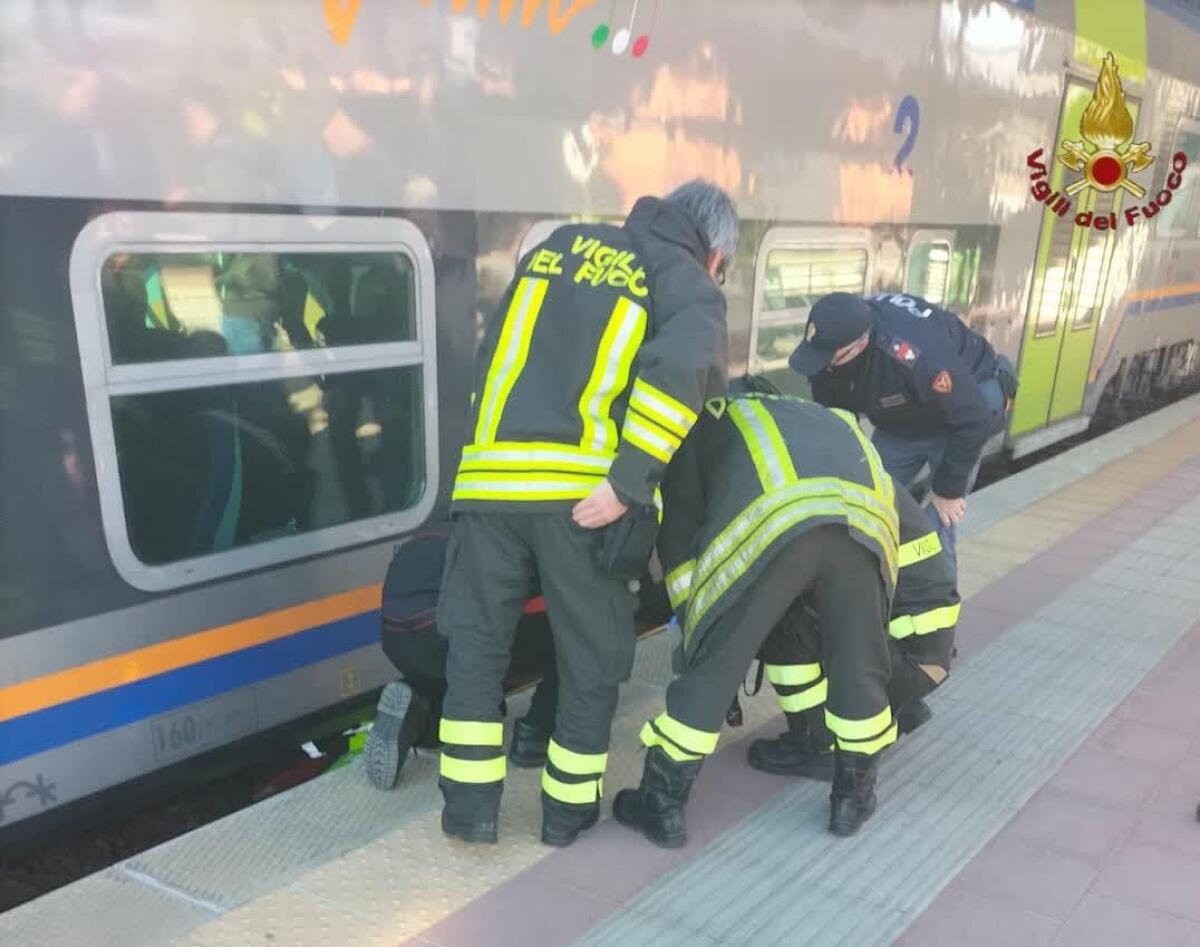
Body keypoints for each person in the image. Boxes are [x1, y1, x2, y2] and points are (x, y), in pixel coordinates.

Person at [437, 180, 737, 847]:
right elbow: (682, 377)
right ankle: (566, 817)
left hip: (488, 482)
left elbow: (494, 353)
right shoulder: (686, 282)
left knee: (477, 648)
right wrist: (629, 483)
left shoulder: (559, 246)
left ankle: (468, 812)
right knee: (590, 658)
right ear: (714, 254)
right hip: (581, 498)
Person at [613, 380, 900, 847]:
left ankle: (661, 802)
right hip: (866, 527)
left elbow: (680, 541)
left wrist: (699, 628)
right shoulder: (817, 414)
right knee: (859, 664)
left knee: (716, 667)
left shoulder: (704, 422)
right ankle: (852, 798)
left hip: (776, 524)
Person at [747, 477, 959, 779]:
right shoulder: (855, 473)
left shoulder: (805, 489)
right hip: (927, 652)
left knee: (786, 621)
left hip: (906, 659)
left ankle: (819, 745)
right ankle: (897, 704)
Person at [787, 292, 1016, 572]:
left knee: (933, 529)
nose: (824, 367)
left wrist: (948, 490)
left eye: (831, 360)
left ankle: (935, 595)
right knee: (865, 502)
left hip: (960, 419)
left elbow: (972, 417)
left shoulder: (915, 355)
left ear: (860, 345)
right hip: (903, 420)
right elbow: (835, 417)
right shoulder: (830, 348)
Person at [363, 527, 560, 792]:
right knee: (577, 635)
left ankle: (417, 709)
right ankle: (536, 736)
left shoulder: (465, 516)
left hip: (398, 632)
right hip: (456, 627)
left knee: (458, 684)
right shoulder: (541, 531)